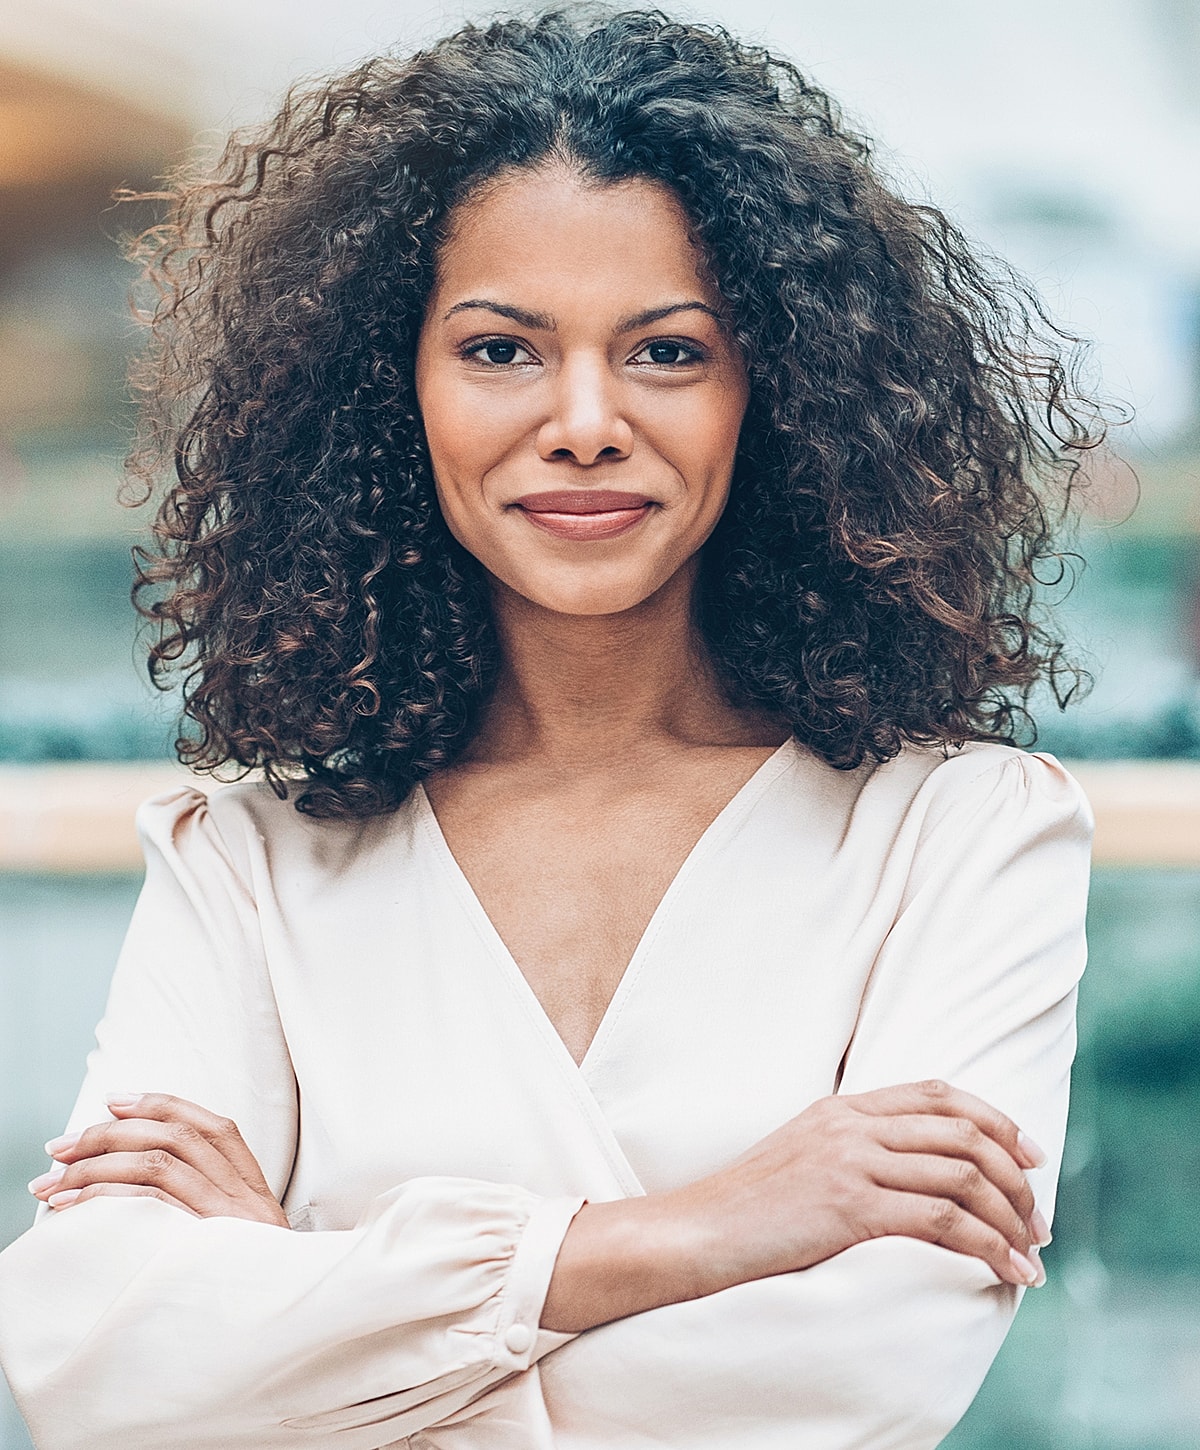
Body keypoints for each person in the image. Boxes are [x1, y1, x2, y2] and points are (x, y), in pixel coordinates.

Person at [0, 9, 1097, 1448]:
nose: (584, 420)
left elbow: (862, 1371)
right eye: (504, 348)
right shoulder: (250, 855)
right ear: (396, 392)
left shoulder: (965, 832)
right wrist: (714, 1228)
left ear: (774, 392)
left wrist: (296, 1296)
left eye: (667, 351)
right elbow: (87, 1360)